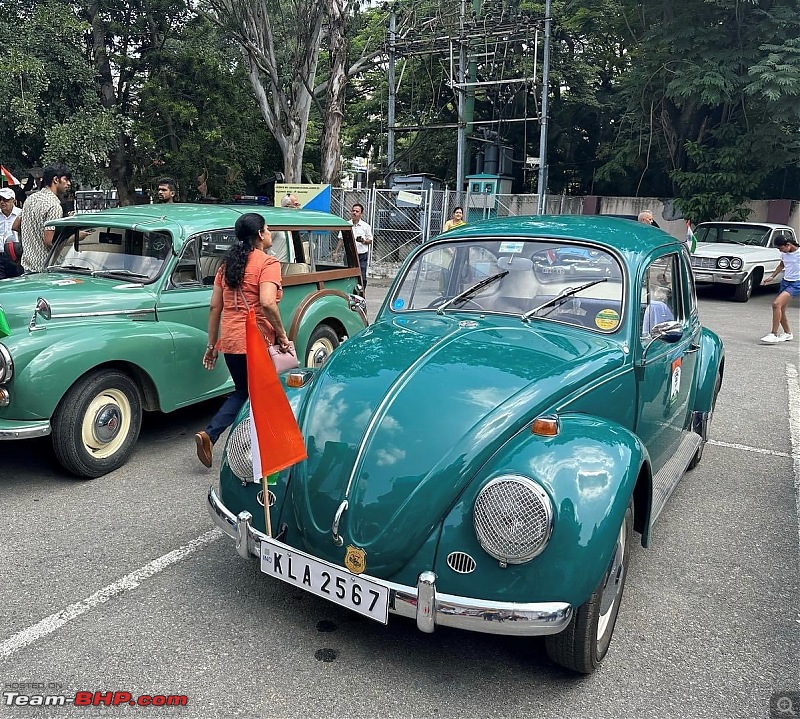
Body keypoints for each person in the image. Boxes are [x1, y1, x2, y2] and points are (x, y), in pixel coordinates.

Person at [194, 212, 291, 467]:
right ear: (260, 234)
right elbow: (268, 303)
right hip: (257, 341)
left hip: (231, 340)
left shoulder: (226, 266)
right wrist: (282, 335)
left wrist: (212, 346)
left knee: (242, 391)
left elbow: (215, 307)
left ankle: (211, 434)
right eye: (268, 229)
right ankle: (262, 450)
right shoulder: (268, 264)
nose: (270, 234)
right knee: (263, 393)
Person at [12, 163, 71, 273]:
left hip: (28, 266)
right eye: (66, 179)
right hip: (45, 269)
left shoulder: (31, 199)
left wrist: (32, 234)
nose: (68, 183)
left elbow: (15, 225)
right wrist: (75, 237)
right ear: (55, 180)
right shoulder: (54, 206)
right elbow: (49, 242)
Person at [760, 235, 799, 344]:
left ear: (788, 245)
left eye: (781, 248)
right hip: (785, 282)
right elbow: (781, 265)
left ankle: (773, 334)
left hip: (796, 283)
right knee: (780, 309)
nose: (780, 251)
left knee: (776, 304)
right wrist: (772, 276)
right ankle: (787, 333)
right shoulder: (784, 254)